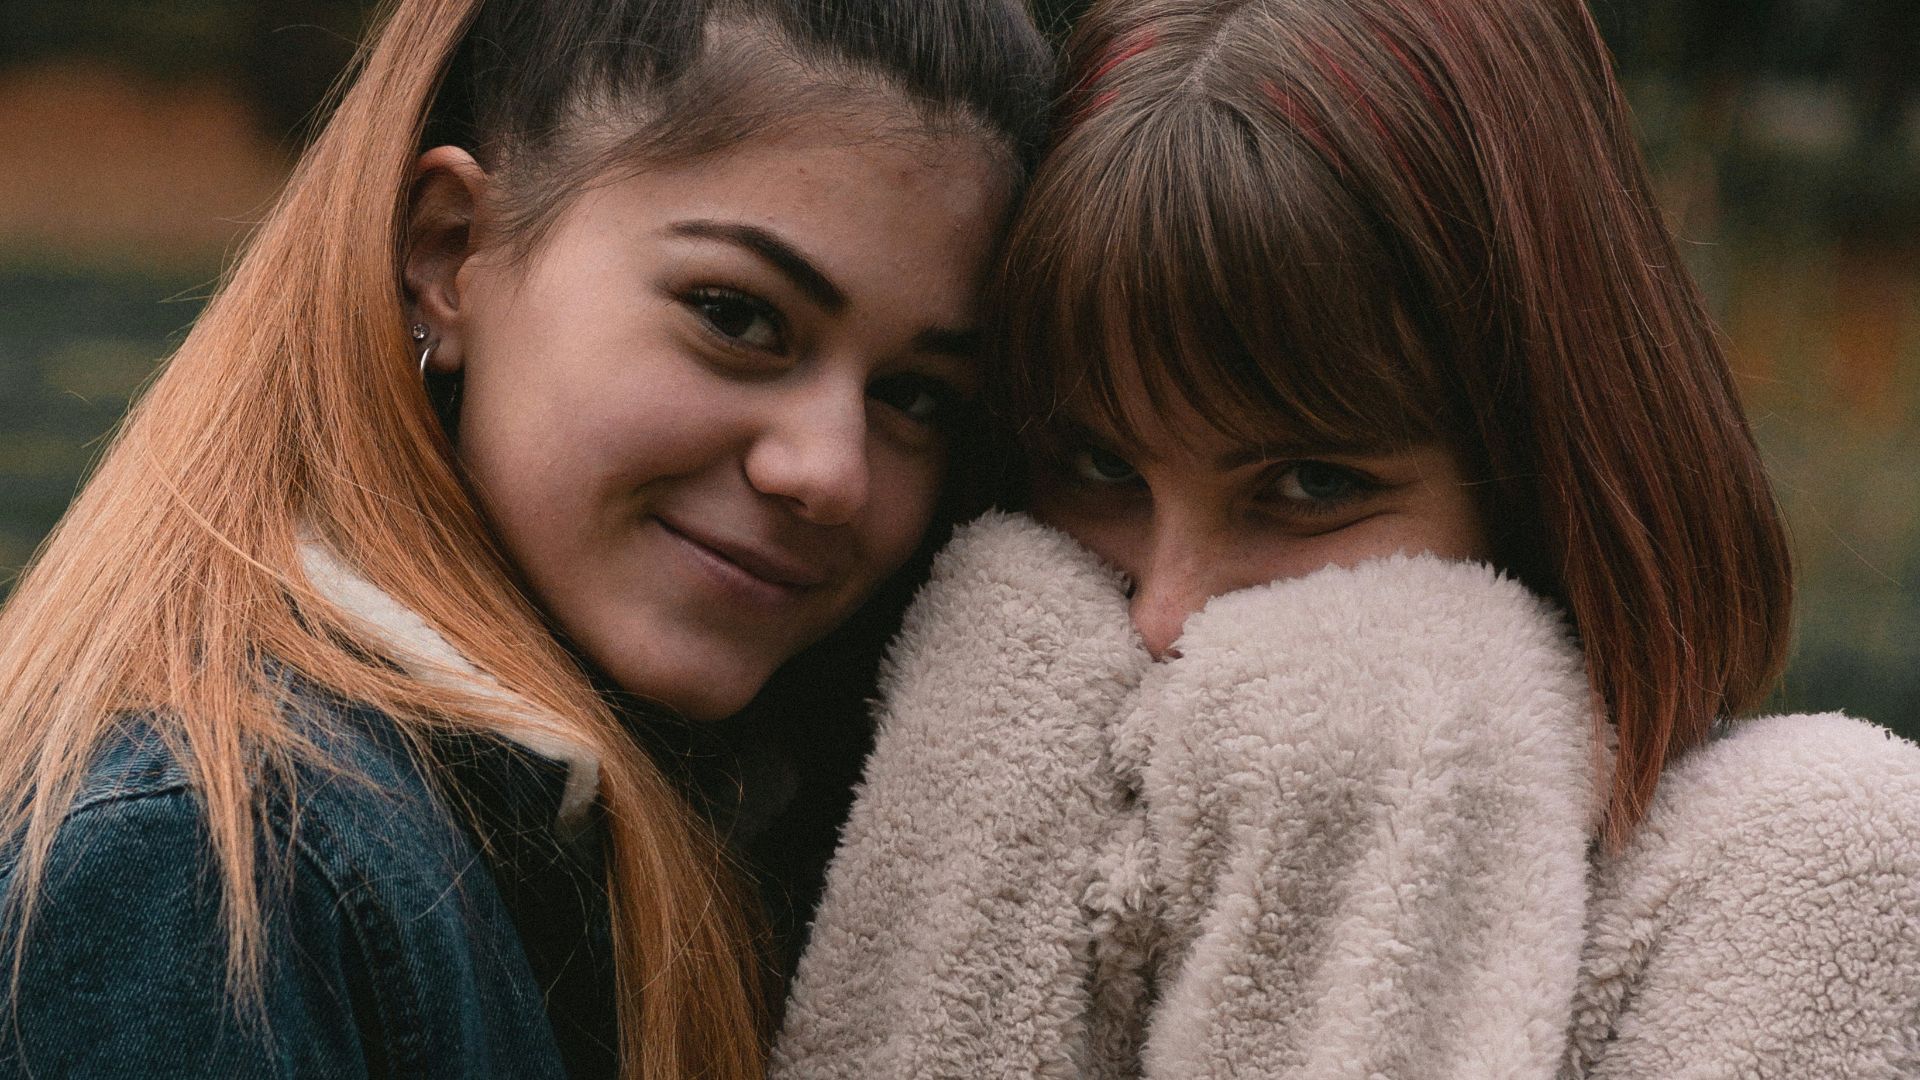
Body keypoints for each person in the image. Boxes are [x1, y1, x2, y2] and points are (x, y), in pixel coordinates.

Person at [773, 0, 1920, 1076]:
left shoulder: (1808, 865)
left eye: (1309, 485)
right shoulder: (841, 789)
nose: (1162, 614)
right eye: (1103, 468)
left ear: (1544, 466)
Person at [0, 1, 1051, 1077]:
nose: (831, 471)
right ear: (448, 251)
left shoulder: (775, 820)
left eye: (918, 396)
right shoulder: (213, 872)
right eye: (737, 316)